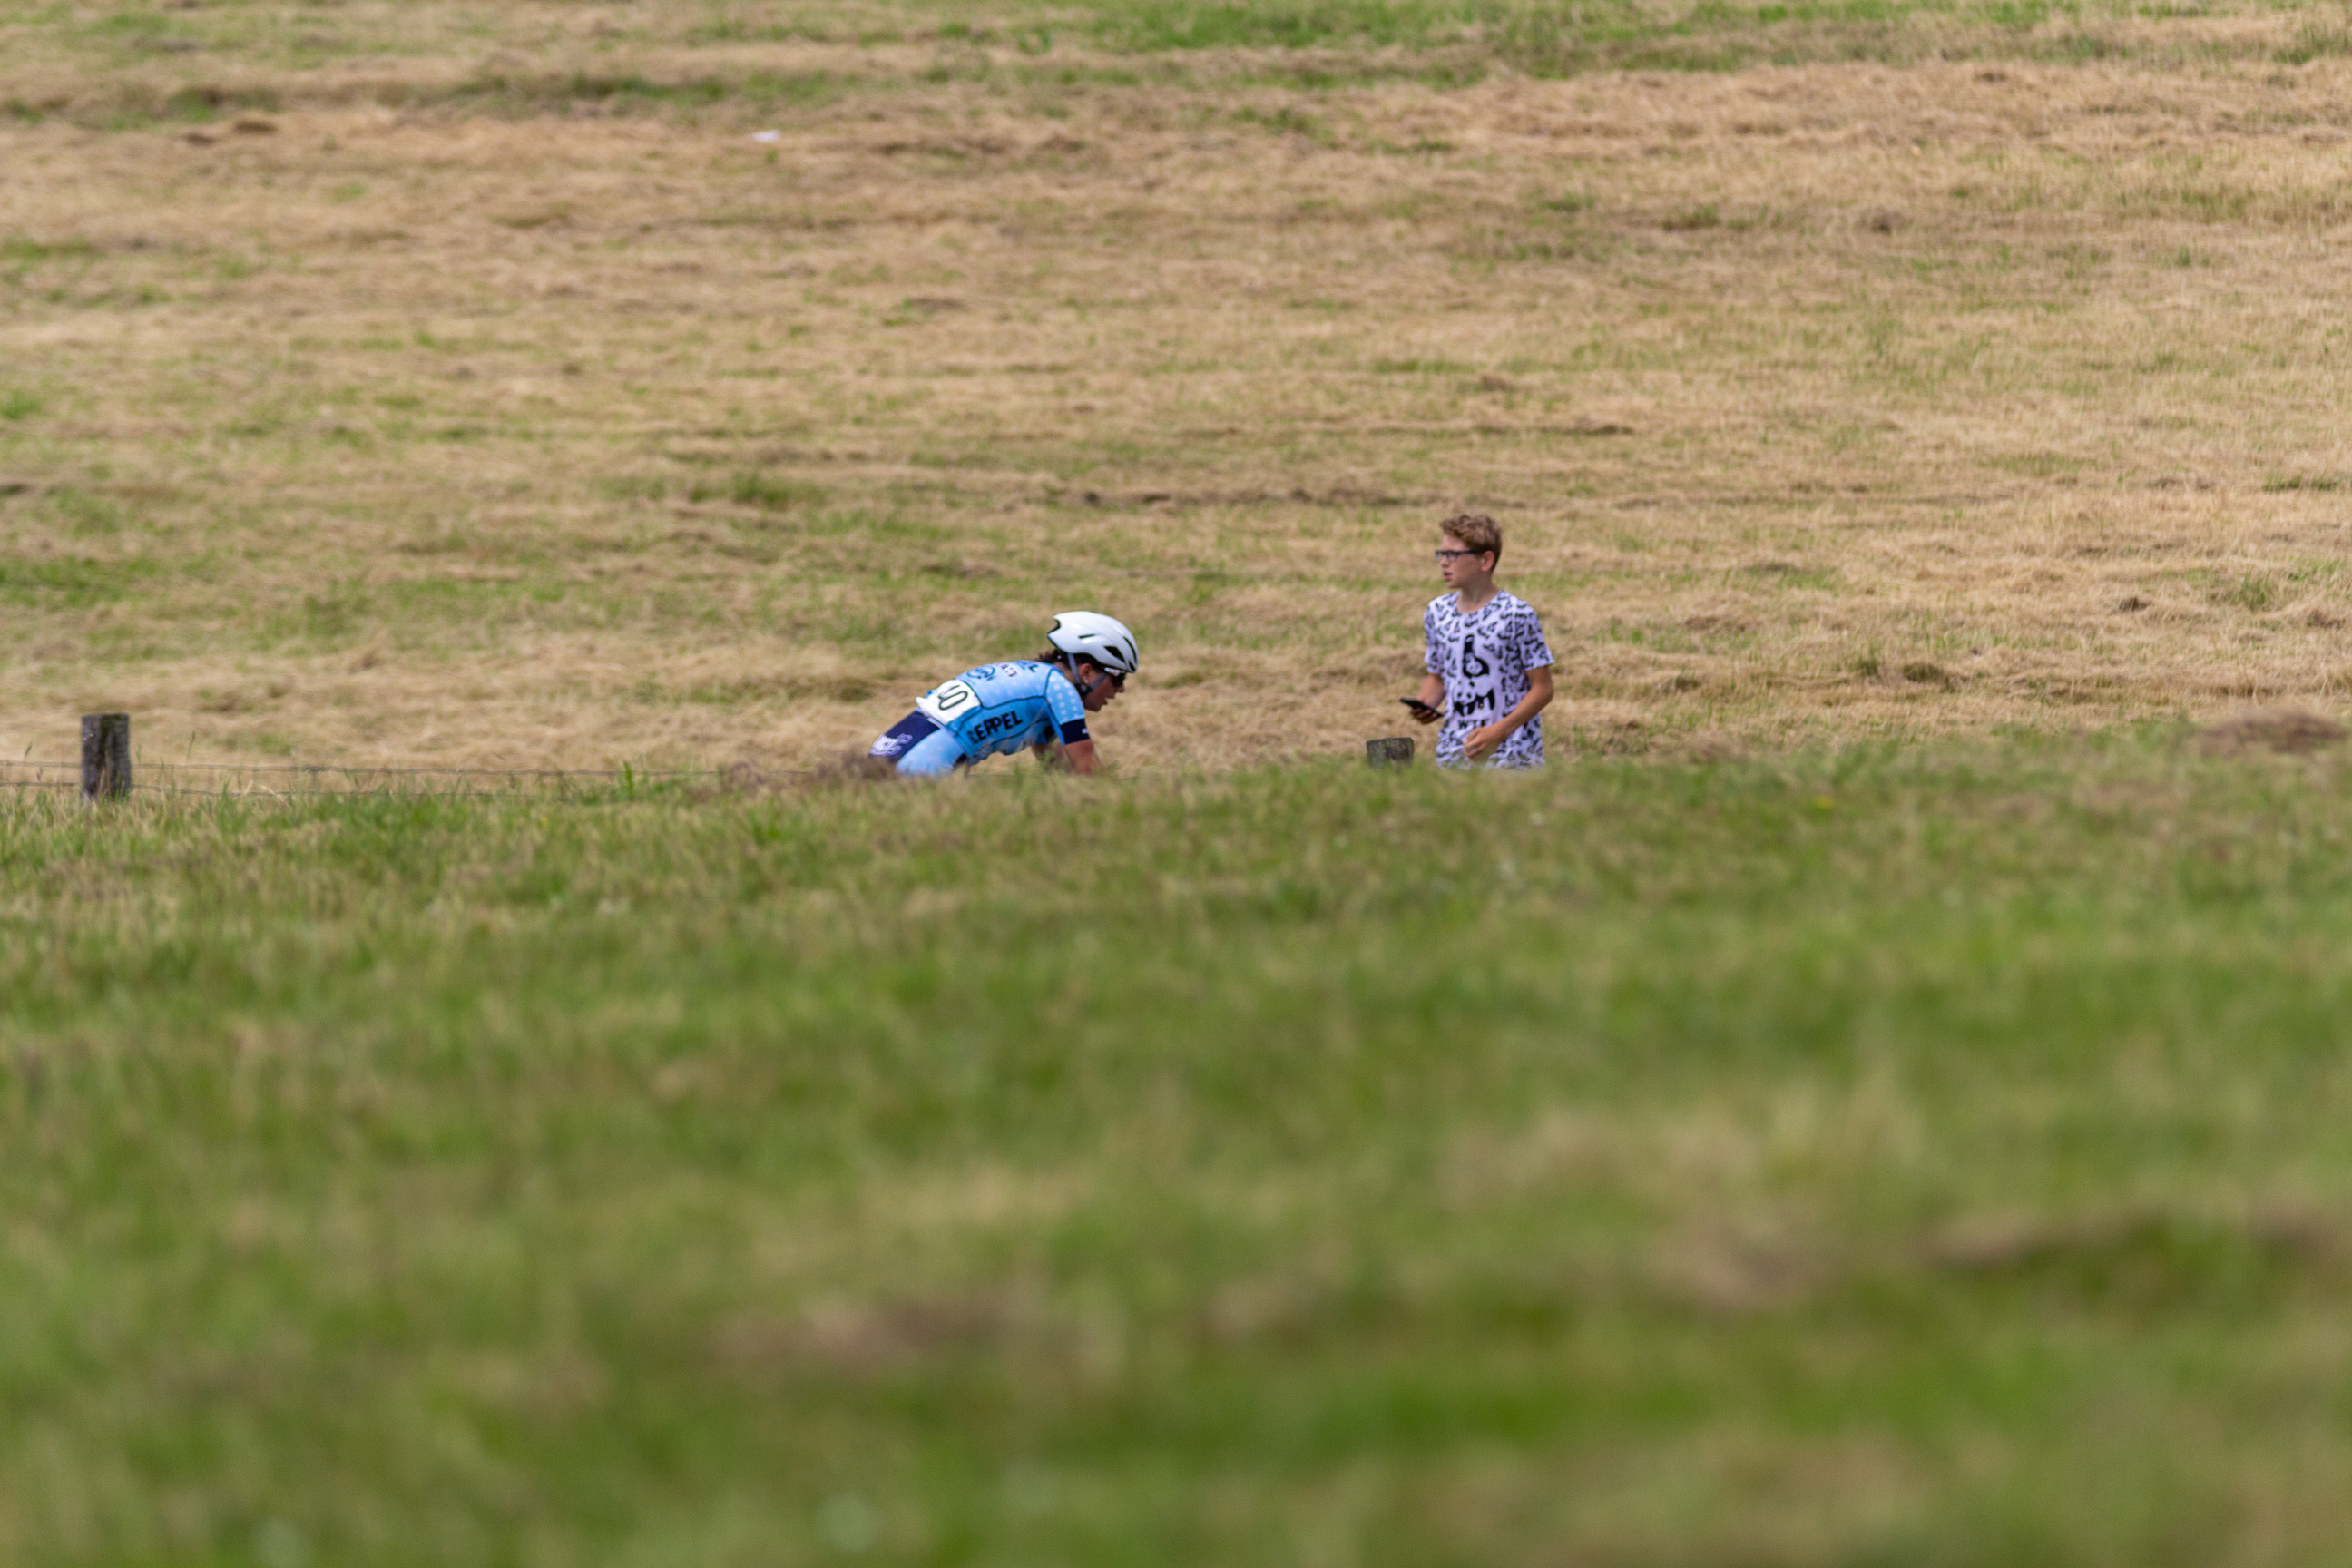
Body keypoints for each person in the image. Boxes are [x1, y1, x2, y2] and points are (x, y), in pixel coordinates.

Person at [868, 612, 1138, 778]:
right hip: (925, 762)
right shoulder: (1060, 690)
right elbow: (1087, 769)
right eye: (1118, 678)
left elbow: (1057, 768)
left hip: (893, 750)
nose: (1121, 689)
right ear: (1088, 672)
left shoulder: (1036, 681)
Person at [1409, 514, 1554, 768]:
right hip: (1453, 755)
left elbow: (1542, 688)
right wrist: (1425, 704)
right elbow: (1439, 676)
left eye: (1453, 555)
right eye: (1441, 554)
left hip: (1512, 758)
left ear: (1485, 560)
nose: (1444, 562)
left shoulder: (1516, 614)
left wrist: (1500, 730)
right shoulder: (1436, 612)